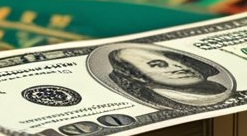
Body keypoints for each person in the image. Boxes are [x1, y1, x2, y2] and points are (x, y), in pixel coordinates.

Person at [96, 44, 234, 109]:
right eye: (158, 64)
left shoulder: (221, 88)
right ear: (134, 75)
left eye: (179, 62)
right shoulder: (161, 102)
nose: (180, 67)